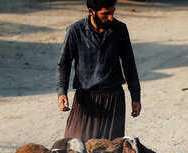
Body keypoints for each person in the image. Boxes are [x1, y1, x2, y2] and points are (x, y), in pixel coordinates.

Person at [55, 0, 141, 141]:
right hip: (85, 99)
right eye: (106, 13)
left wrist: (135, 97)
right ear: (91, 12)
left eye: (113, 12)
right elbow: (64, 64)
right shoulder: (75, 31)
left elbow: (129, 64)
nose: (111, 17)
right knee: (74, 148)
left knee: (110, 152)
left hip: (114, 99)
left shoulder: (120, 29)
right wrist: (61, 92)